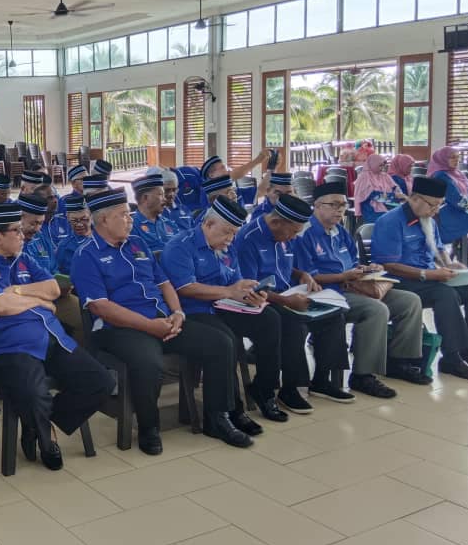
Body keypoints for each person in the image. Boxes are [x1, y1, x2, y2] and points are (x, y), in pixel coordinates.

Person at [73, 189, 252, 452]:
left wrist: (178, 313)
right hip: (118, 328)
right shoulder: (86, 255)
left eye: (129, 214)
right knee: (149, 361)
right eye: (124, 215)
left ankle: (217, 418)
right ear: (103, 220)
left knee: (220, 343)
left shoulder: (137, 243)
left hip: (161, 320)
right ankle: (149, 428)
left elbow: (164, 283)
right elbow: (101, 307)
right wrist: (149, 326)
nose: (130, 219)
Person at [0, 204, 116, 469]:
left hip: (51, 337)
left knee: (100, 382)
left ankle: (41, 423)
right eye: (16, 231)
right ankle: (46, 438)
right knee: (33, 394)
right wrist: (38, 301)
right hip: (9, 345)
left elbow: (53, 288)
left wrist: (18, 292)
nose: (22, 235)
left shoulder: (24, 260)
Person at [162, 197, 288, 424]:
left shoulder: (227, 248)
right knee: (227, 338)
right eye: (227, 232)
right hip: (194, 311)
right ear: (208, 224)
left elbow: (235, 282)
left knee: (270, 319)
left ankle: (264, 390)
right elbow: (186, 288)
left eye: (234, 233)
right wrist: (229, 292)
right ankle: (232, 410)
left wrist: (250, 295)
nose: (230, 239)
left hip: (224, 306)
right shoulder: (180, 246)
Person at [294, 181, 423, 397]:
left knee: (409, 302)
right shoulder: (304, 233)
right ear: (316, 205)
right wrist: (342, 277)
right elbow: (306, 277)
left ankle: (399, 362)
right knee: (376, 310)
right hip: (326, 292)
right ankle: (363, 375)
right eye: (334, 205)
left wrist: (366, 269)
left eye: (343, 205)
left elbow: (353, 263)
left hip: (353, 286)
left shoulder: (341, 232)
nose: (340, 210)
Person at [234, 194, 354, 412]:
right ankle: (289, 388)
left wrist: (302, 275)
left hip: (288, 293)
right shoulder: (248, 239)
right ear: (277, 222)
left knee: (334, 315)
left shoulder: (285, 235)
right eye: (293, 232)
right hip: (260, 300)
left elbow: (287, 267)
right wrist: (285, 300)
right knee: (293, 324)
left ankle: (321, 380)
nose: (294, 238)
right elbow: (250, 288)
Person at [371, 175, 468, 381]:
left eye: (440, 205)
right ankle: (452, 358)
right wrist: (428, 274)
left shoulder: (428, 219)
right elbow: (388, 265)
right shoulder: (390, 222)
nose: (436, 210)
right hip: (400, 281)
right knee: (445, 294)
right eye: (433, 205)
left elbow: (438, 248)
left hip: (428, 278)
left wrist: (448, 264)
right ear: (415, 198)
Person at [428, 146, 468, 261]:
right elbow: (456, 199)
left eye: (458, 157)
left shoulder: (458, 173)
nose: (456, 160)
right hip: (448, 213)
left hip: (464, 211)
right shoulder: (440, 175)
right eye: (452, 157)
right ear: (443, 159)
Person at [130, 174, 181, 252]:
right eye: (160, 195)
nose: (164, 199)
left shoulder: (169, 223)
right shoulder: (132, 227)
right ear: (145, 198)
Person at [354, 154, 406, 223]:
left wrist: (399, 192)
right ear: (373, 164)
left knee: (404, 215)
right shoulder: (364, 177)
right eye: (380, 165)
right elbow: (374, 195)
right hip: (370, 209)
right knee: (392, 220)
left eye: (383, 165)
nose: (382, 168)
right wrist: (395, 197)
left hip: (387, 205)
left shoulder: (384, 175)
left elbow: (395, 186)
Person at [19, 194, 57, 272]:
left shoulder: (40, 238)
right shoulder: (8, 245)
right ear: (19, 218)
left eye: (40, 223)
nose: (37, 229)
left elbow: (53, 269)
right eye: (33, 224)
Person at [54, 197, 91, 275]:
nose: (79, 224)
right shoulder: (64, 247)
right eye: (74, 221)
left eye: (84, 219)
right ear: (68, 219)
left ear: (91, 216)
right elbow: (57, 272)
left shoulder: (105, 236)